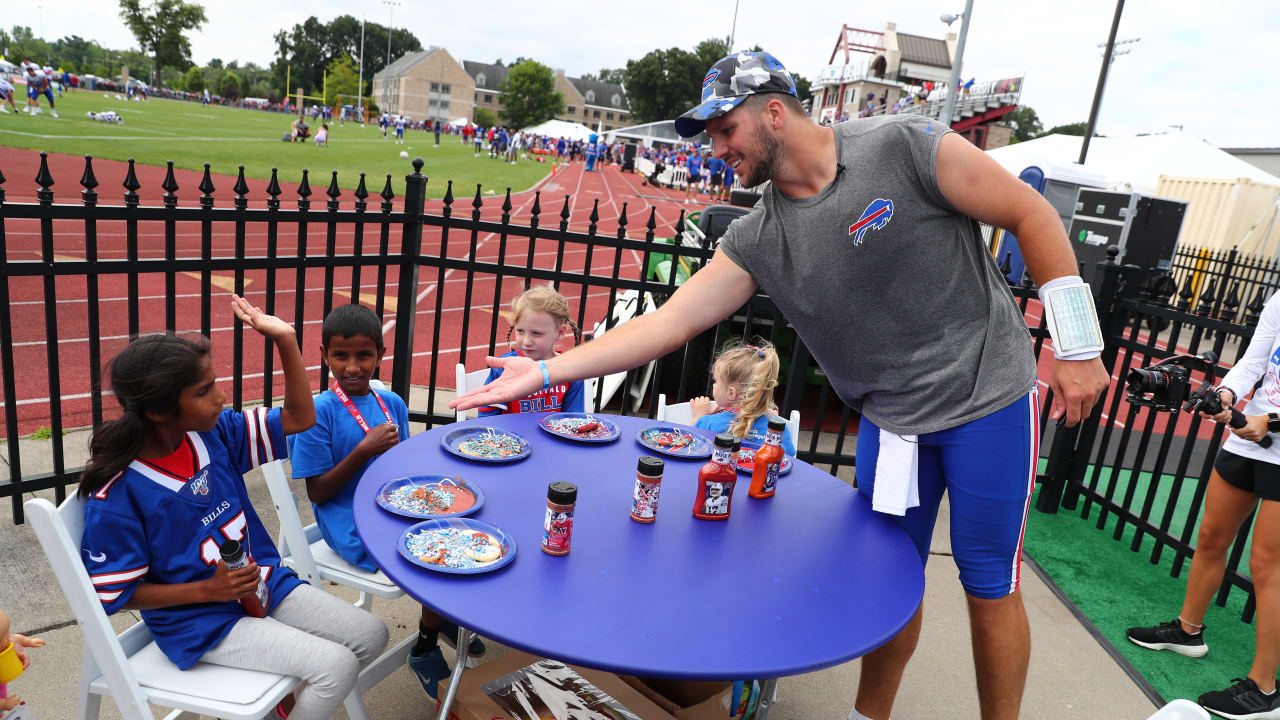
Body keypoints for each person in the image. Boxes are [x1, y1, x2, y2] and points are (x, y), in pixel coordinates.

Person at [451, 51, 1109, 720]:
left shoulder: (905, 145)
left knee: (989, 581)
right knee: (894, 581)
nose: (717, 149)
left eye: (724, 130)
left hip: (986, 399)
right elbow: (672, 319)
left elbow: (1033, 214)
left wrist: (1077, 346)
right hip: (895, 422)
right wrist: (546, 369)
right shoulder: (759, 233)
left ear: (773, 112)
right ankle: (867, 715)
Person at [79, 297, 389, 720]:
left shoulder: (213, 434)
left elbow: (301, 417)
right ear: (157, 410)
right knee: (335, 666)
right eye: (205, 391)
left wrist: (286, 339)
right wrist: (208, 590)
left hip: (260, 585)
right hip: (200, 621)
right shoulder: (120, 492)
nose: (222, 397)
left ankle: (288, 704)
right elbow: (113, 594)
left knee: (370, 634)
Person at [288, 305, 485, 699]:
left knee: (466, 528)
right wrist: (363, 450)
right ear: (324, 354)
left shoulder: (390, 402)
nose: (353, 366)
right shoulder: (317, 413)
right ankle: (425, 647)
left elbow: (404, 468)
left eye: (363, 355)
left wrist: (440, 487)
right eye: (340, 356)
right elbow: (318, 492)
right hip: (349, 521)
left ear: (380, 353)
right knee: (435, 553)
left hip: (394, 510)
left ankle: (439, 615)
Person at [1125, 291, 1280, 719]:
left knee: (1268, 565)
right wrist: (1228, 395)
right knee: (1211, 535)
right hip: (1250, 438)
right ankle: (1188, 631)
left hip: (1269, 431)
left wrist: (1271, 422)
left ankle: (1265, 690)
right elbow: (1255, 359)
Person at [478, 286, 584, 416]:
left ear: (560, 332)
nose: (527, 341)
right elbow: (487, 416)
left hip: (552, 436)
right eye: (520, 331)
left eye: (536, 333)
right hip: (510, 435)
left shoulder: (570, 371)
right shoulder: (504, 368)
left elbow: (573, 419)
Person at [689, 341, 797, 456]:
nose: (714, 385)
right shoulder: (778, 430)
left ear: (731, 392)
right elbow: (788, 461)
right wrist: (769, 416)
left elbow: (688, 449)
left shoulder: (707, 423)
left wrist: (697, 417)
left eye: (716, 381)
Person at [0, 607, 45, 713]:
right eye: (2, 640)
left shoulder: (4, 637)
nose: (8, 639)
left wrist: (28, 641)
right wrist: (4, 704)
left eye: (7, 632)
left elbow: (13, 638)